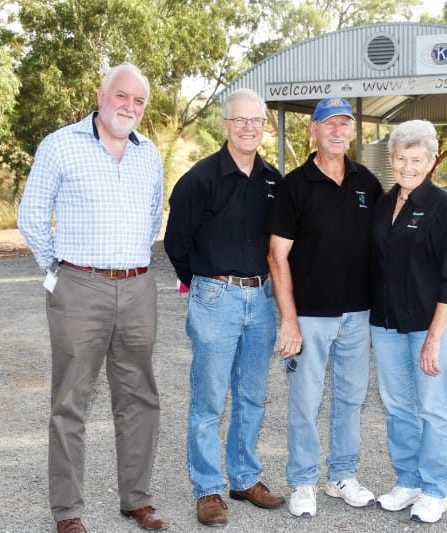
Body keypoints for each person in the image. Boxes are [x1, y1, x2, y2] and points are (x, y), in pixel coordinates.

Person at [17, 63, 169, 533]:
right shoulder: (61, 145)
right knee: (70, 400)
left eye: (139, 101)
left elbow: (150, 220)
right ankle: (68, 512)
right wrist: (58, 271)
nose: (129, 106)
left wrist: (131, 264)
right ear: (102, 96)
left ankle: (136, 499)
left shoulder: (150, 155)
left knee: (140, 396)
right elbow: (32, 216)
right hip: (79, 286)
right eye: (122, 96)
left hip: (138, 285)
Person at [164, 88, 285, 527]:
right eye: (240, 120)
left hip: (262, 298)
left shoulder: (274, 181)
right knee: (209, 399)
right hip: (215, 295)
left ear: (263, 125)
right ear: (225, 125)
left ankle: (245, 477)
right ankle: (208, 489)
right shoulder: (200, 179)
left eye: (256, 120)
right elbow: (177, 245)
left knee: (253, 396)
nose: (249, 127)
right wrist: (204, 284)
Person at [267, 96, 384, 518]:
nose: (337, 131)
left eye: (344, 124)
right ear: (313, 131)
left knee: (351, 399)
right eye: (328, 124)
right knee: (305, 400)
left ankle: (342, 476)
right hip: (311, 318)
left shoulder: (367, 183)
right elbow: (277, 256)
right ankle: (302, 481)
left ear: (353, 132)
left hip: (357, 316)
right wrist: (289, 320)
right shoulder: (293, 187)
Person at [368, 120, 447, 524]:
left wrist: (434, 338)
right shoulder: (383, 203)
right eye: (400, 158)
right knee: (398, 408)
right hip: (388, 323)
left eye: (416, 158)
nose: (407, 166)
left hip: (434, 326)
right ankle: (408, 481)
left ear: (431, 160)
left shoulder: (443, 206)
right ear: (391, 160)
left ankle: (434, 488)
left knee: (433, 408)